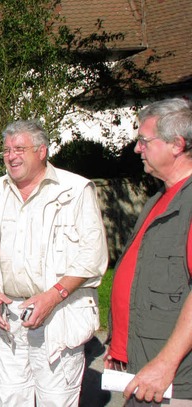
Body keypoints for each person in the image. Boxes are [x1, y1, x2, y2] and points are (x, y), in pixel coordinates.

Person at [0, 120, 108, 406]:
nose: (11, 156)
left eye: (19, 148)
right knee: (10, 400)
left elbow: (93, 255)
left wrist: (53, 296)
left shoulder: (75, 190)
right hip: (7, 316)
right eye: (6, 150)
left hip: (58, 314)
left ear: (41, 151)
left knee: (56, 400)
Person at [105, 98, 192, 405]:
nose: (136, 148)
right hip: (142, 367)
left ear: (176, 145)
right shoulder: (161, 197)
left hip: (174, 381)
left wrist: (166, 363)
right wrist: (119, 348)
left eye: (144, 140)